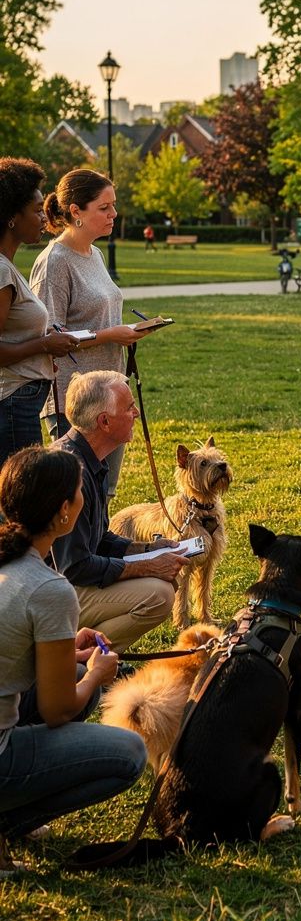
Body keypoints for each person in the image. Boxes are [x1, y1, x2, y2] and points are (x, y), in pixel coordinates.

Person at [0, 445, 146, 875]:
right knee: (130, 754)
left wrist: (67, 648)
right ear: (64, 512)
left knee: (79, 671)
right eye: (80, 490)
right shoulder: (49, 588)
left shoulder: (11, 561)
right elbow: (58, 707)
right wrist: (99, 673)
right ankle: (7, 823)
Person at [30, 169, 152, 498]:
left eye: (114, 206)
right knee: (76, 498)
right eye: (104, 207)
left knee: (104, 493)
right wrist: (109, 335)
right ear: (76, 212)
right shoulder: (54, 262)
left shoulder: (94, 254)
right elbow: (48, 337)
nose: (114, 214)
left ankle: (101, 551)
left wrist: (125, 331)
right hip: (76, 399)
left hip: (111, 393)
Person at [51, 371, 188, 651]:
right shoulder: (70, 472)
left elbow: (99, 539)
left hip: (64, 583)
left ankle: (86, 657)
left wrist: (149, 548)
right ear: (104, 421)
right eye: (128, 407)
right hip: (50, 594)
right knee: (159, 595)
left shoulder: (89, 461)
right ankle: (79, 659)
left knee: (162, 584)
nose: (136, 413)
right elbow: (74, 567)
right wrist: (147, 566)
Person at [0, 157, 80, 469]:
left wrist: (45, 345)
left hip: (24, 399)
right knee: (18, 504)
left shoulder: (8, 267)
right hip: (13, 403)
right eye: (35, 210)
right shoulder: (2, 272)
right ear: (11, 217)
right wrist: (44, 346)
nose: (43, 219)